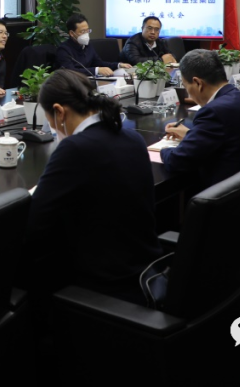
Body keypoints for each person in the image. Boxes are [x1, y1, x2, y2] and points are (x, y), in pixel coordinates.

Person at [24, 70, 161, 304]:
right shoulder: (132, 137)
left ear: (59, 111)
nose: (51, 127)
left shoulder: (75, 149)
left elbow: (35, 222)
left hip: (104, 284)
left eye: (48, 120)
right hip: (144, 269)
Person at [160, 49, 240, 190]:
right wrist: (191, 134)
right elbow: (230, 135)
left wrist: (163, 150)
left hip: (228, 197)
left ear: (198, 83)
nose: (189, 94)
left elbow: (177, 162)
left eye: (186, 87)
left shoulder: (212, 112)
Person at [55, 13, 132, 77]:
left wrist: (118, 65)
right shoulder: (63, 50)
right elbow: (70, 72)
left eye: (87, 30)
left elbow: (99, 63)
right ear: (72, 33)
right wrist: (97, 70)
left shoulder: (87, 45)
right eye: (82, 31)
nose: (86, 34)